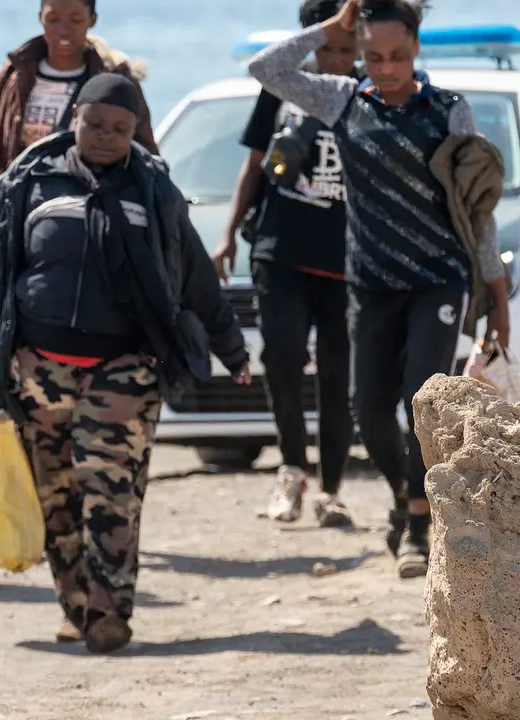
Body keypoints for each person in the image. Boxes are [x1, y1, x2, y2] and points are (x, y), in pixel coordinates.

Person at [0, 73, 250, 654]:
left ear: (135, 132)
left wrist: (232, 349)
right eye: (94, 123)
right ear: (76, 118)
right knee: (56, 495)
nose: (104, 136)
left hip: (124, 367)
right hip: (38, 368)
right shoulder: (32, 182)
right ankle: (76, 606)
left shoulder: (152, 190)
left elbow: (195, 274)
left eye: (118, 129)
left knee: (112, 489)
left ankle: (109, 610)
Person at [247, 0, 510, 578]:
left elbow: (477, 206)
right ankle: (402, 495)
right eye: (372, 56)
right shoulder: (342, 102)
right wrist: (331, 27)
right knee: (368, 411)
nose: (385, 68)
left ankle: (418, 522)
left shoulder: (448, 111)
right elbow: (267, 70)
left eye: (396, 55)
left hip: (437, 281)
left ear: (417, 48)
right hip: (369, 284)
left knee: (421, 398)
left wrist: (496, 289)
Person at [213, 0, 358, 528]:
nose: (339, 60)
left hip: (346, 267)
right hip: (281, 253)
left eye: (349, 48)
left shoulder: (368, 96)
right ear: (313, 41)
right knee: (281, 362)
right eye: (329, 47)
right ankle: (292, 471)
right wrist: (228, 234)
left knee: (339, 377)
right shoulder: (285, 88)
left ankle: (334, 490)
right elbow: (253, 166)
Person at [0, 0, 158, 239]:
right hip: (17, 227)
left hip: (89, 228)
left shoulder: (114, 82)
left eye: (75, 20)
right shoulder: (15, 76)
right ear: (40, 17)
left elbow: (146, 160)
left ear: (92, 20)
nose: (64, 29)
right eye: (54, 19)